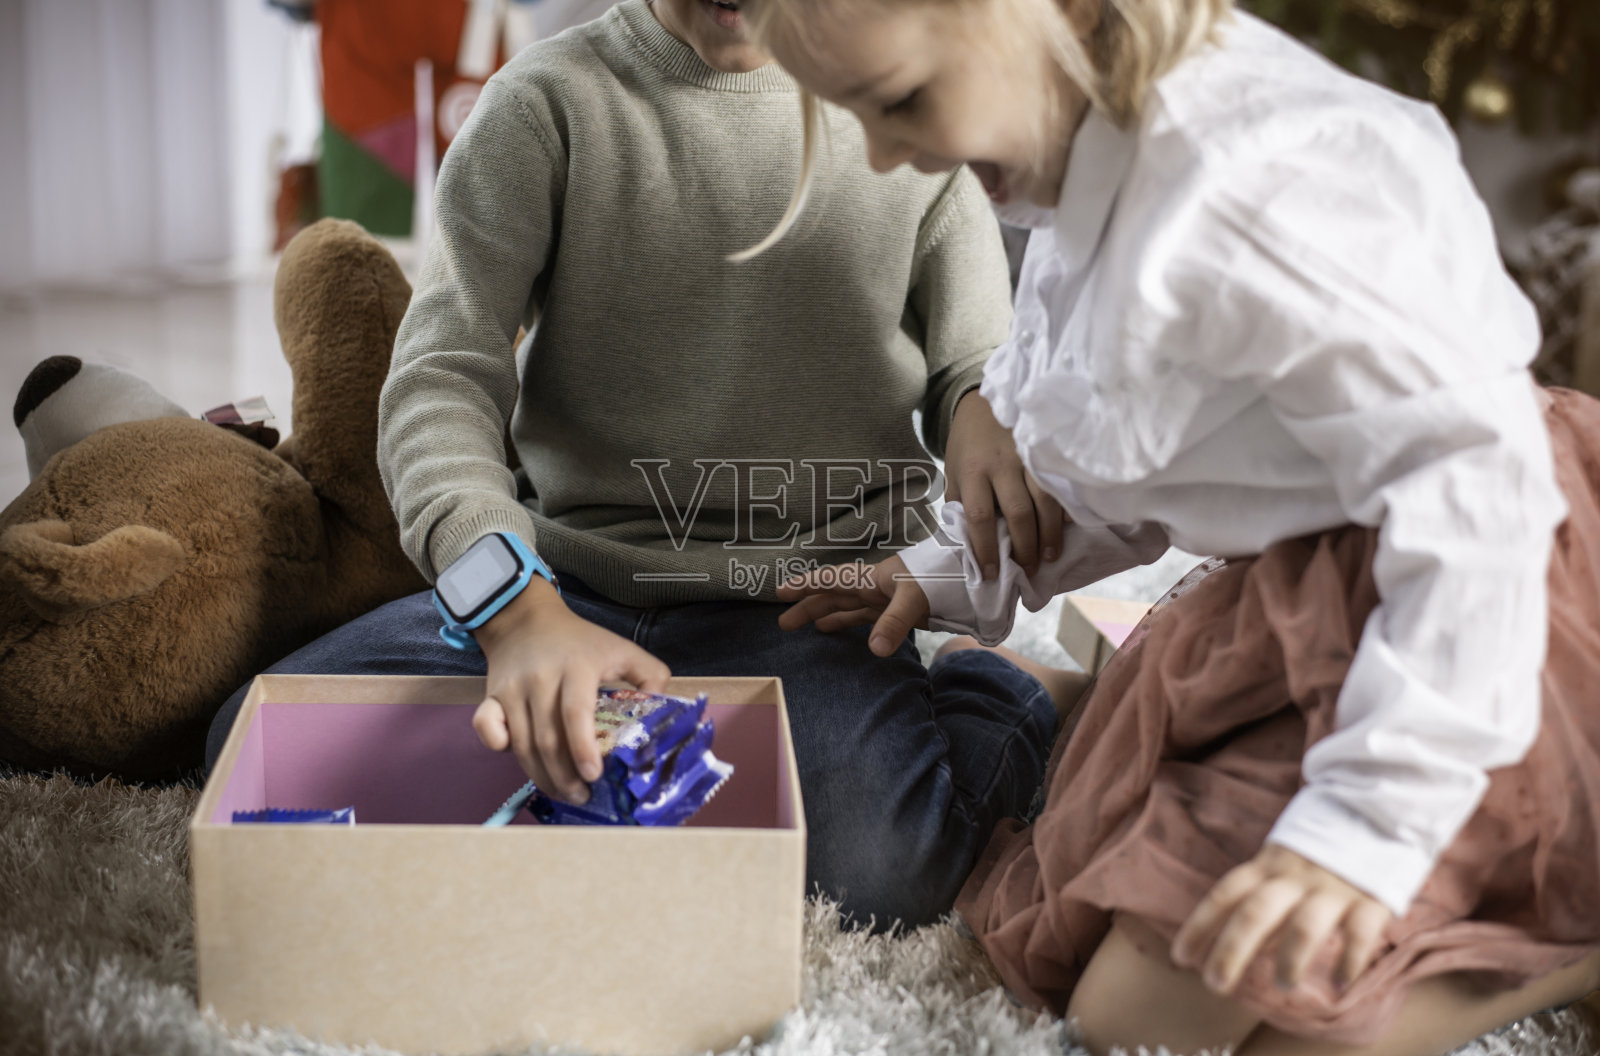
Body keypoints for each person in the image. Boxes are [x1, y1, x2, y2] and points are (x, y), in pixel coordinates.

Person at [755, 0, 1600, 1050]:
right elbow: (1112, 455)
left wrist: (1364, 829)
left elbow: (1478, 506)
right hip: (1306, 596)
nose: (888, 159)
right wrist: (940, 576)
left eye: (900, 102)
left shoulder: (1260, 189)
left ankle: (1562, 939)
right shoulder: (1078, 160)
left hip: (1474, 599)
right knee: (1147, 996)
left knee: (1203, 1018)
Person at [205, 0, 1087, 931]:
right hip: (564, 587)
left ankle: (998, 687)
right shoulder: (543, 104)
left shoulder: (906, 112)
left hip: (808, 603)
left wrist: (984, 412)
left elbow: (980, 364)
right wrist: (514, 612)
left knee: (885, 874)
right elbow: (442, 379)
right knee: (251, 744)